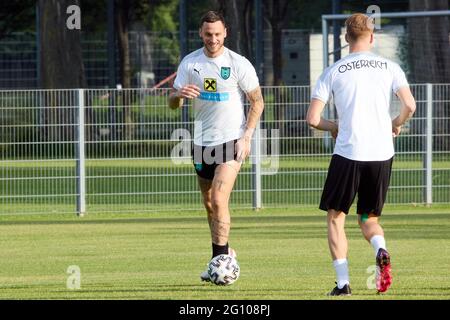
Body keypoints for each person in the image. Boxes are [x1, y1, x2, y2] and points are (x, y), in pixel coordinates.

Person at [306, 13, 416, 296]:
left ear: (346, 38)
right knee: (368, 218)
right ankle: (381, 249)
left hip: (348, 152)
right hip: (381, 153)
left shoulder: (333, 71)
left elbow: (313, 119)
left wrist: (333, 127)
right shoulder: (390, 67)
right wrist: (396, 124)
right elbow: (410, 105)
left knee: (335, 218)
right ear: (371, 36)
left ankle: (343, 284)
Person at [167, 11, 264, 282]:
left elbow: (257, 102)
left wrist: (247, 137)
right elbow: (172, 103)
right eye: (208, 34)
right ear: (201, 33)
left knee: (220, 199)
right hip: (201, 143)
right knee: (210, 204)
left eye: (217, 34)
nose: (213, 39)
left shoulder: (237, 63)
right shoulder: (190, 63)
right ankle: (220, 257)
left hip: (231, 140)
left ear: (225, 33)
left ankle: (222, 264)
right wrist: (178, 95)